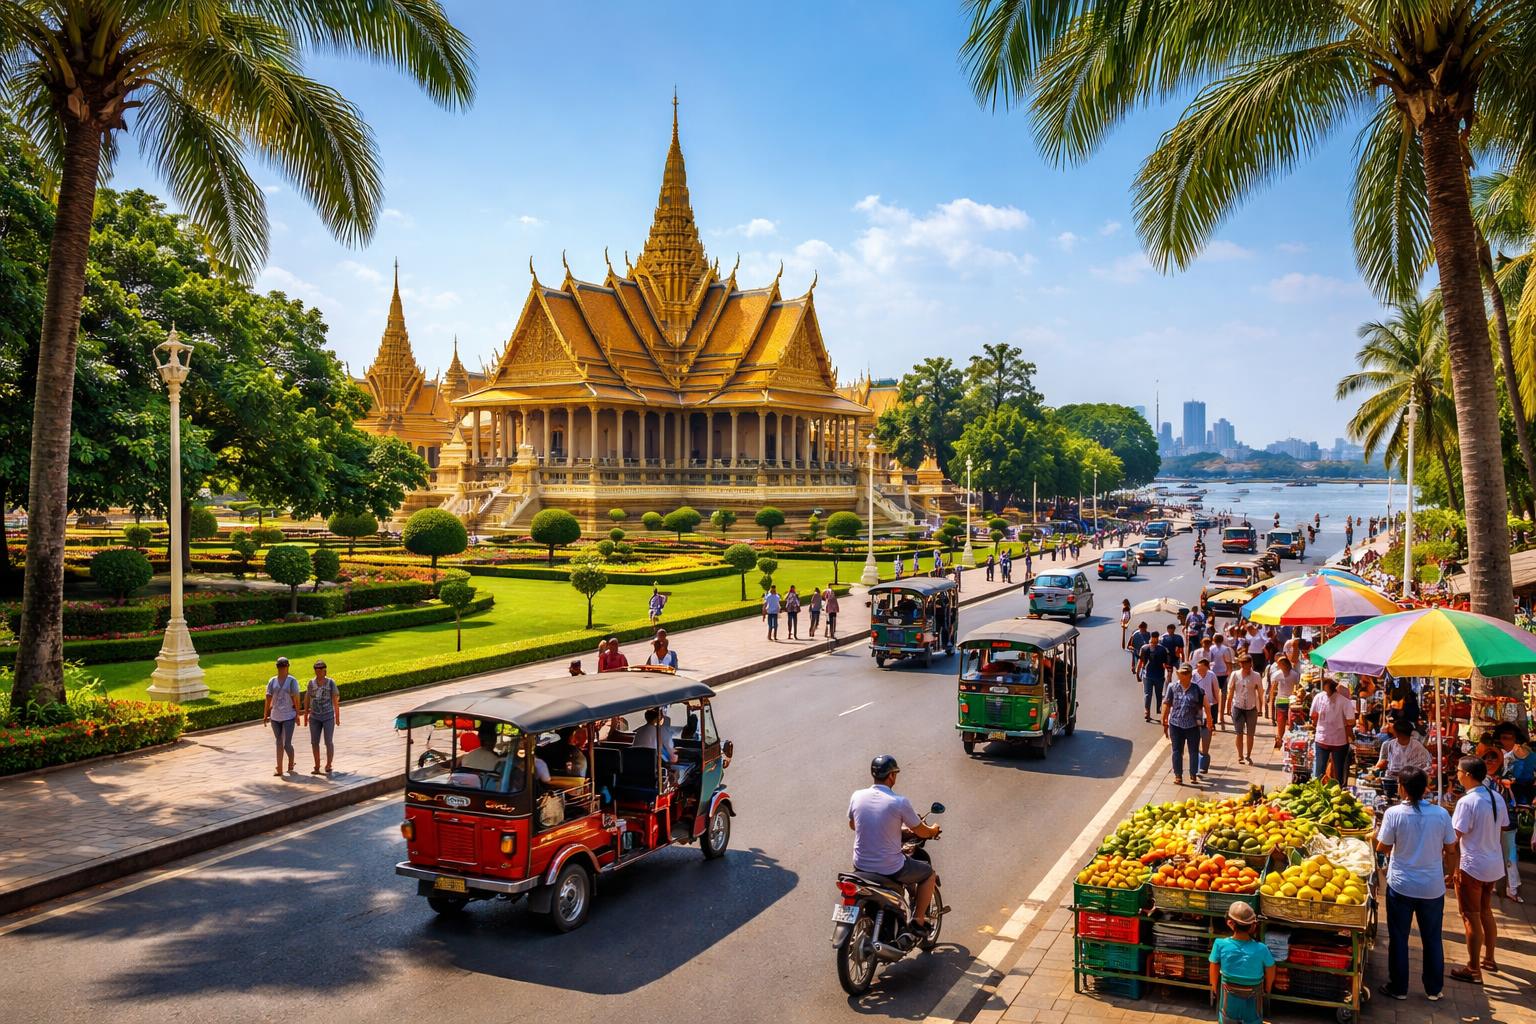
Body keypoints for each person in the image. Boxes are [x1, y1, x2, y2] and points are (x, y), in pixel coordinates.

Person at [1376, 765, 1456, 1001]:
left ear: (1402, 788)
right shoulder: (1441, 814)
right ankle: (1434, 989)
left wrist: (1375, 838)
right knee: (1432, 938)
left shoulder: (1394, 813)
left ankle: (1398, 987)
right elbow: (1451, 849)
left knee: (1399, 937)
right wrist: (1451, 873)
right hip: (1432, 887)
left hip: (1402, 885)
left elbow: (1384, 847)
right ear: (1425, 789)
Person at [848, 754, 942, 934]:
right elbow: (921, 831)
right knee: (928, 874)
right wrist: (933, 830)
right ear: (892, 776)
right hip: (890, 868)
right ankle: (919, 920)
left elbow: (854, 825)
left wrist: (895, 830)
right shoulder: (899, 802)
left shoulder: (857, 796)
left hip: (859, 866)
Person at [1451, 755, 1509, 983]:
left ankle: (1473, 968)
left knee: (1470, 916)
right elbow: (1502, 827)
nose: (1456, 774)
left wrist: (1449, 865)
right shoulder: (1496, 797)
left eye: (1458, 771)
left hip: (1472, 865)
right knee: (1485, 911)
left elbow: (1455, 836)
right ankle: (1489, 959)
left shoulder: (1467, 802)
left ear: (1467, 775)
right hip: (1492, 863)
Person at [1208, 901, 1275, 1024]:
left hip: (1228, 996)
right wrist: (1267, 988)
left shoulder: (1219, 944)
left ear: (1230, 923)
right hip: (1254, 996)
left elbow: (1214, 968)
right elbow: (1270, 968)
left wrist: (1214, 988)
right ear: (1252, 926)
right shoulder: (1262, 949)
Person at [1481, 750, 1522, 905]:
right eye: (1487, 758)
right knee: (1488, 850)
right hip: (1487, 822)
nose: (1490, 761)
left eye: (1494, 759)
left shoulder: (1508, 775)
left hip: (1505, 821)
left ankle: (1512, 888)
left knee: (1509, 853)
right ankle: (1489, 883)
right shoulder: (1480, 779)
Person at [1162, 663, 1210, 786]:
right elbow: (1167, 703)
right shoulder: (1172, 687)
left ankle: (1193, 774)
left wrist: (1208, 721)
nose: (1183, 676)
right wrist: (1164, 720)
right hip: (1175, 724)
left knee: (1193, 751)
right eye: (1181, 673)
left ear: (1189, 675)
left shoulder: (1196, 689)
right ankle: (1178, 775)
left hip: (1192, 725)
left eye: (1185, 674)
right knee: (1176, 750)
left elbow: (1204, 706)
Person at [1310, 676, 1356, 783]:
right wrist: (1350, 734)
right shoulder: (1345, 701)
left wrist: (1319, 724)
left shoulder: (1318, 697)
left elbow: (1313, 716)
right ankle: (1338, 791)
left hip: (1322, 738)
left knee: (1319, 772)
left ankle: (1318, 791)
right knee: (1338, 772)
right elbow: (1351, 722)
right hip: (1339, 741)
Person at [1374, 714, 1432, 796]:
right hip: (1391, 783)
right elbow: (1383, 762)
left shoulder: (1417, 747)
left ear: (1397, 732)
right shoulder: (1388, 744)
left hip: (1412, 784)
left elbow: (1425, 767)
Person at [262, 656, 301, 777]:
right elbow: (268, 698)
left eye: (284, 666)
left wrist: (298, 714)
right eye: (280, 666)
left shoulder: (292, 681)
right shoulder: (272, 681)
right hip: (275, 717)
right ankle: (281, 766)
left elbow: (296, 698)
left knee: (285, 743)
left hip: (289, 716)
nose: (282, 668)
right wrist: (265, 714)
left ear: (287, 667)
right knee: (280, 742)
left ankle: (287, 763)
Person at [302, 659, 340, 776]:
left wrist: (337, 717)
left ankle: (329, 764)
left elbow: (335, 700)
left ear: (325, 671)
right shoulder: (311, 683)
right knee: (314, 742)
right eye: (316, 671)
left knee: (328, 741)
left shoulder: (330, 683)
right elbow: (307, 698)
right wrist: (305, 714)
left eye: (321, 671)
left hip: (328, 716)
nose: (318, 673)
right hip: (314, 717)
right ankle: (317, 765)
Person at [1228, 652, 1264, 765]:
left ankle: (1248, 754)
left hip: (1251, 707)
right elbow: (1231, 690)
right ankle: (1240, 755)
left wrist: (1261, 709)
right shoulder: (1235, 674)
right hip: (1238, 706)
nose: (1246, 668)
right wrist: (1228, 707)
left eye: (1248, 665)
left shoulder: (1256, 676)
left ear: (1251, 664)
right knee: (1239, 733)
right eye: (1243, 665)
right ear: (1240, 665)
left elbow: (1260, 692)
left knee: (1250, 733)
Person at [1192, 657, 1220, 771]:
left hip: (1209, 705)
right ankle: (1198, 754)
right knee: (1196, 731)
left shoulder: (1211, 675)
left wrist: (1216, 703)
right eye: (1198, 668)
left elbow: (1216, 689)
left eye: (1202, 669)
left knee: (1207, 731)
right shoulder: (1193, 675)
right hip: (1197, 707)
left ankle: (1204, 758)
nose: (1200, 671)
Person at [1138, 633, 1171, 723]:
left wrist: (1169, 673)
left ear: (1158, 639)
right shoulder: (1144, 648)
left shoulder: (1163, 650)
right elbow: (1141, 662)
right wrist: (1138, 673)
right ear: (1150, 639)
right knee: (1147, 695)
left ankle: (1159, 711)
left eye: (1155, 639)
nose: (1154, 641)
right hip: (1147, 676)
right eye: (1153, 639)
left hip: (1159, 676)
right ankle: (1147, 711)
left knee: (1159, 694)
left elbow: (1166, 664)